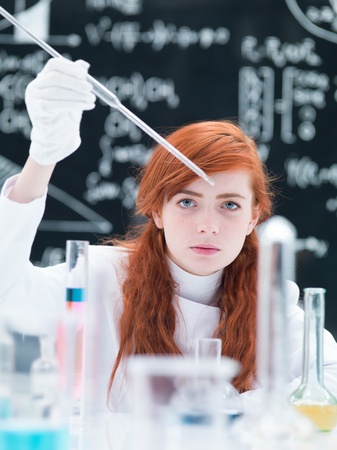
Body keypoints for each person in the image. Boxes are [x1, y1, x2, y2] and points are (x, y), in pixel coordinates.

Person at [0, 58, 337, 415]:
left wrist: (223, 409)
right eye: (188, 202)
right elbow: (7, 295)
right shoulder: (97, 277)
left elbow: (328, 379)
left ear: (255, 217)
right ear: (156, 211)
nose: (208, 225)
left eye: (230, 205)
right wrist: (42, 158)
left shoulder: (270, 304)